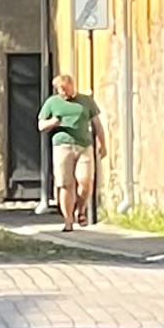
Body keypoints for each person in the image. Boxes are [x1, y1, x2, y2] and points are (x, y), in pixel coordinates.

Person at [38, 73, 103, 231]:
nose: (63, 92)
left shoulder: (86, 101)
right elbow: (41, 126)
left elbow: (97, 124)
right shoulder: (52, 102)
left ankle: (81, 209)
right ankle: (68, 220)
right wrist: (53, 122)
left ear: (72, 85)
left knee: (85, 181)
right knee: (66, 184)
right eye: (59, 89)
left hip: (84, 145)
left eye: (65, 88)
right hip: (62, 146)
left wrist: (102, 143)